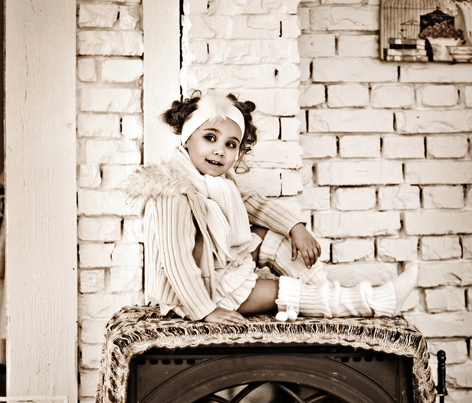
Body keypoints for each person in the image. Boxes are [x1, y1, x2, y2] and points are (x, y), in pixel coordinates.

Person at [127, 90, 417, 326]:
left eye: (231, 144)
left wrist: (296, 227)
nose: (219, 150)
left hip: (219, 269)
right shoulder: (172, 192)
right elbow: (176, 263)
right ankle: (374, 302)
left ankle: (322, 288)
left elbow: (254, 204)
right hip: (199, 292)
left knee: (270, 237)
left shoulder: (216, 184)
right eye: (210, 138)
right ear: (187, 138)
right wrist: (206, 310)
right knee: (286, 292)